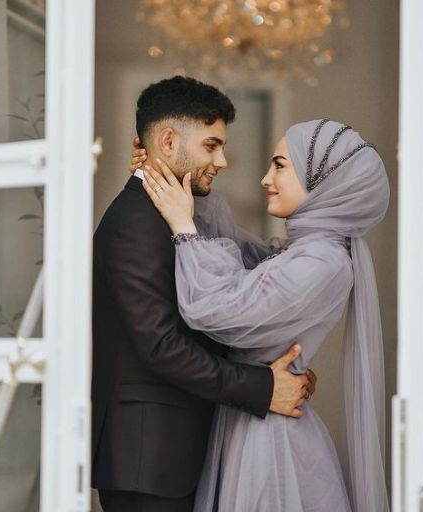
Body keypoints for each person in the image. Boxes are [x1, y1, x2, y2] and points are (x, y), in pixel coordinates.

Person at [139, 118, 391, 512]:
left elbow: (219, 309)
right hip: (256, 416)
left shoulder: (323, 262)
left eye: (279, 165)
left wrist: (184, 228)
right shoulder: (305, 252)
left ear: (321, 179)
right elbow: (235, 250)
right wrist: (162, 173)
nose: (264, 178)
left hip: (270, 442)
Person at [91, 76, 315, 512]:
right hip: (150, 463)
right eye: (212, 146)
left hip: (173, 453)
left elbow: (210, 314)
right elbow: (162, 347)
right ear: (169, 141)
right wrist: (263, 388)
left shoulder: (175, 215)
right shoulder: (136, 222)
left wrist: (277, 367)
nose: (224, 161)